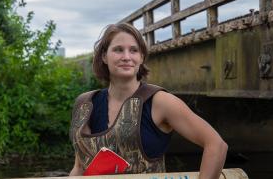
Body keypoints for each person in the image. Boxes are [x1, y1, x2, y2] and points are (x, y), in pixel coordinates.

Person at [69, 23, 227, 179]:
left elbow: (216, 145)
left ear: (141, 57)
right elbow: (79, 168)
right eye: (118, 50)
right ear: (104, 56)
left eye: (134, 50)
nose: (126, 57)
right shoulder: (84, 104)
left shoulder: (161, 102)